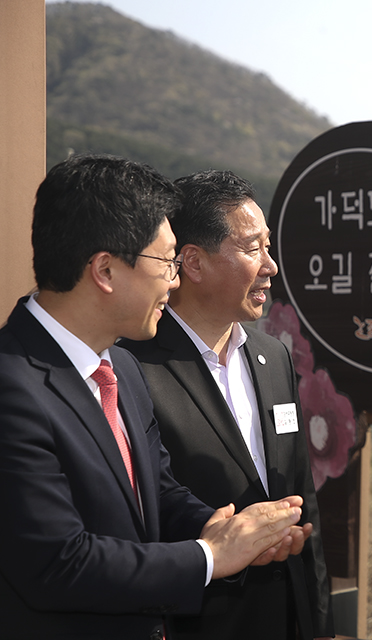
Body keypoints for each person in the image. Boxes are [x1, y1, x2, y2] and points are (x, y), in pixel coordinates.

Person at [0, 154, 310, 640]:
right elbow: (58, 563)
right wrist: (210, 556)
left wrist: (230, 527)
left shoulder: (118, 366)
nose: (174, 279)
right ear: (105, 270)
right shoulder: (12, 386)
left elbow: (156, 490)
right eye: (166, 261)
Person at [120, 170, 334, 640]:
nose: (271, 266)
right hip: (198, 621)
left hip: (287, 617)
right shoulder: (132, 366)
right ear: (192, 263)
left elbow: (302, 491)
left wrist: (319, 622)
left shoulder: (273, 355)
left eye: (269, 246)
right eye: (253, 247)